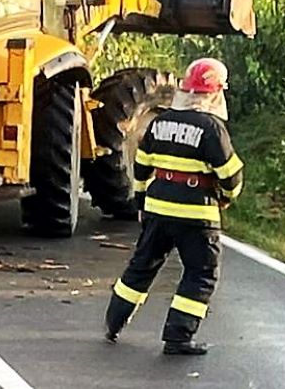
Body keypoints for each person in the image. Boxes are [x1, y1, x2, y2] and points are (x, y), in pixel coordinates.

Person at [104, 58, 243, 356]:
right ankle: (178, 337)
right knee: (201, 272)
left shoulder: (160, 122)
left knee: (142, 266)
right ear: (216, 93)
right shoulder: (212, 128)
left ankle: (113, 323)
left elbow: (142, 165)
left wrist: (141, 202)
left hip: (158, 208)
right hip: (197, 214)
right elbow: (231, 175)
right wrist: (227, 197)